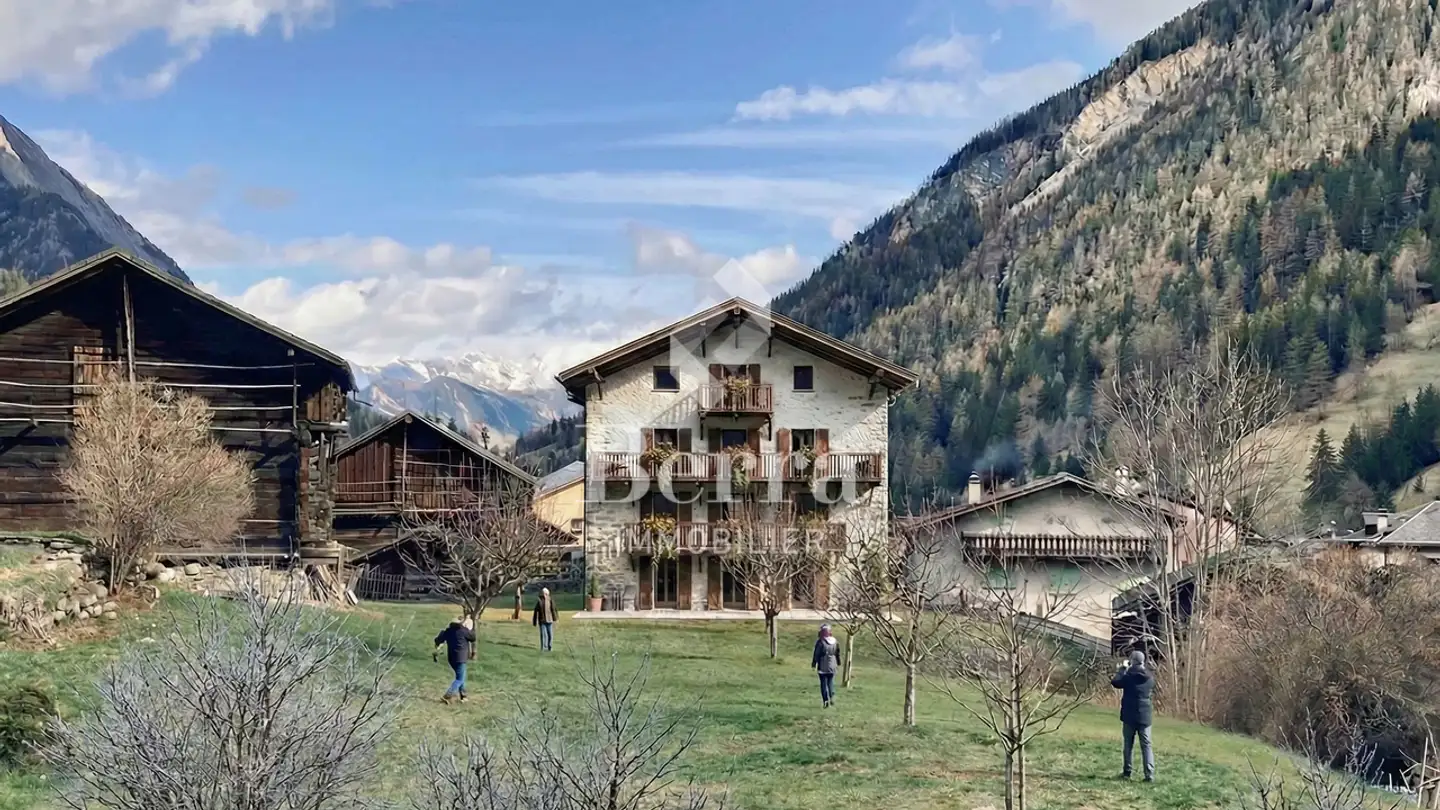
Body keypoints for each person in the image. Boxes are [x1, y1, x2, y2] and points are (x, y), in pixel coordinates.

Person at [1110, 649, 1155, 782]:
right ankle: (1149, 775)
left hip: (1129, 715)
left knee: (1128, 745)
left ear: (1132, 661)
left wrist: (1122, 669)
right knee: (1146, 746)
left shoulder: (1128, 677)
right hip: (1145, 716)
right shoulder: (1150, 677)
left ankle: (1127, 772)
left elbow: (1115, 682)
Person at [433, 615, 476, 704]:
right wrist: (468, 628)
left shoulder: (448, 631)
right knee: (460, 679)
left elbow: (438, 640)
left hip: (451, 658)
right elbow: (473, 638)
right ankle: (447, 695)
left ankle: (464, 696)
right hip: (461, 658)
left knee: (460, 677)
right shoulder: (464, 631)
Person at [811, 624, 840, 708]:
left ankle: (825, 701)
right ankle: (832, 696)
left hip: (822, 666)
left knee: (823, 684)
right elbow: (837, 653)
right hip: (832, 665)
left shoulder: (820, 642)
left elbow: (816, 654)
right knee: (830, 682)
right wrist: (838, 663)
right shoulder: (835, 641)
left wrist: (814, 664)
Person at [532, 587, 558, 651]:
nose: (544, 595)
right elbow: (535, 611)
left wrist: (556, 619)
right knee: (544, 635)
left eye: (545, 594)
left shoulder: (550, 600)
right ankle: (543, 648)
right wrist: (534, 621)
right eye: (543, 593)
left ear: (548, 594)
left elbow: (554, 609)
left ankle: (550, 647)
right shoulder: (540, 601)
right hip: (542, 621)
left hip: (550, 620)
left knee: (550, 635)